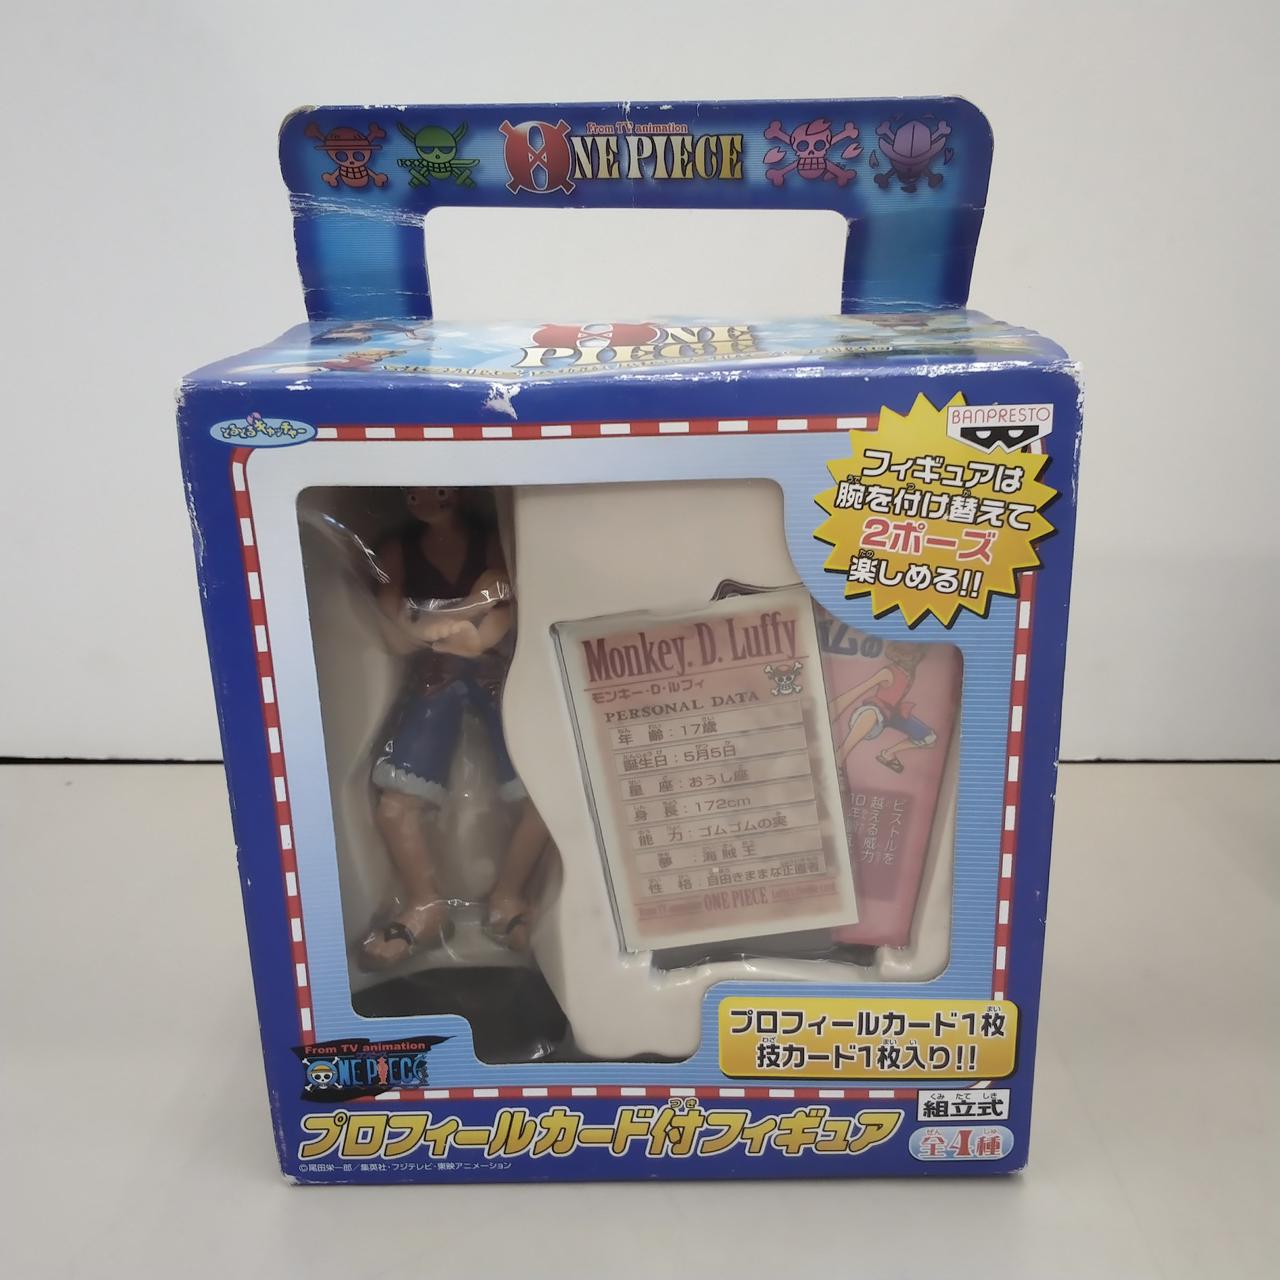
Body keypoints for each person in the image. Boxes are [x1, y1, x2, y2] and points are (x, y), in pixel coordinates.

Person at [359, 486, 547, 970]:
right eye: (414, 494)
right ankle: (425, 904)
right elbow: (393, 625)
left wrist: (469, 633)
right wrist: (436, 627)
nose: (427, 502)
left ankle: (509, 895)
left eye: (438, 490)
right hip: (434, 678)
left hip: (494, 676)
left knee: (545, 798)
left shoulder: (488, 541)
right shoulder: (398, 549)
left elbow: (503, 602)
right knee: (394, 808)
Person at [826, 641, 938, 773]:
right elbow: (857, 692)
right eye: (912, 655)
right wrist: (828, 713)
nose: (916, 658)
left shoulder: (910, 673)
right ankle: (839, 756)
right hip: (877, 710)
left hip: (894, 713)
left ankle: (888, 754)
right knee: (871, 714)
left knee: (929, 738)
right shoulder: (888, 672)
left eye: (918, 655)